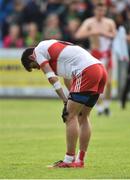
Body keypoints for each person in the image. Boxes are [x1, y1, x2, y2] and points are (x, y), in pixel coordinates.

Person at [21, 39, 107, 168]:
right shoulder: (53, 50)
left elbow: (52, 79)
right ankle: (80, 160)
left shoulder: (38, 51)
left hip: (87, 71)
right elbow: (68, 78)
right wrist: (69, 99)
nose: (38, 68)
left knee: (69, 116)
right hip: (99, 69)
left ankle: (68, 160)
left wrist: (65, 101)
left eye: (34, 66)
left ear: (31, 57)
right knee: (83, 117)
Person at [75, 2, 116, 116]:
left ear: (105, 11)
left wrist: (105, 33)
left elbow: (115, 35)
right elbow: (78, 35)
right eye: (98, 10)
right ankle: (99, 107)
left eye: (103, 10)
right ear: (95, 11)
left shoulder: (109, 22)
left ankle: (107, 105)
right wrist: (93, 32)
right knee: (96, 83)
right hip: (95, 55)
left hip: (107, 54)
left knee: (109, 82)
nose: (100, 13)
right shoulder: (89, 22)